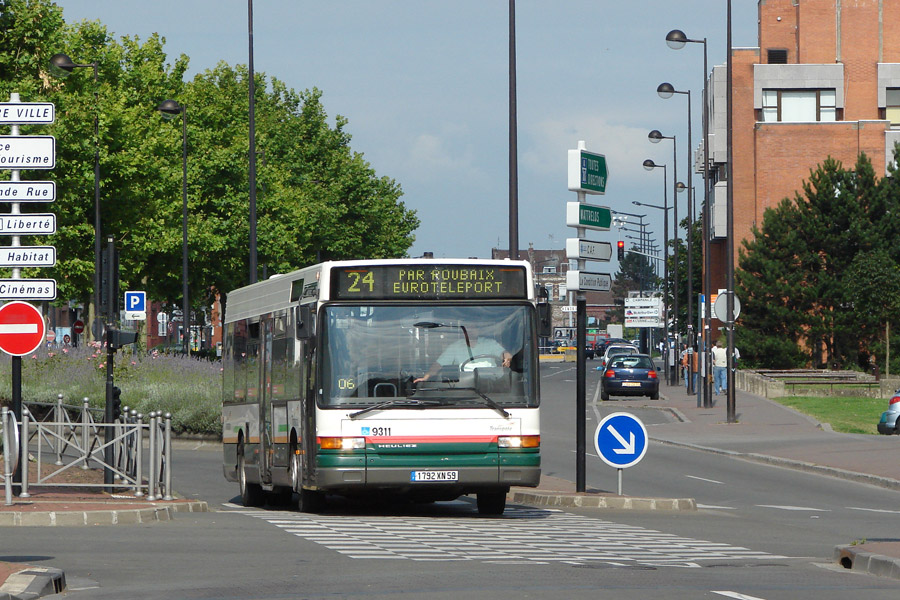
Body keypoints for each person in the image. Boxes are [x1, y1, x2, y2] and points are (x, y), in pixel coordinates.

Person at [415, 325, 511, 383]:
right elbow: (439, 364)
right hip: (465, 385)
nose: (471, 330)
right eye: (468, 328)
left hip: (491, 384)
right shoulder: (455, 346)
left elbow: (505, 354)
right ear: (464, 331)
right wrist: (426, 377)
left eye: (474, 327)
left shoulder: (490, 343)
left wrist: (507, 359)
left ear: (479, 330)